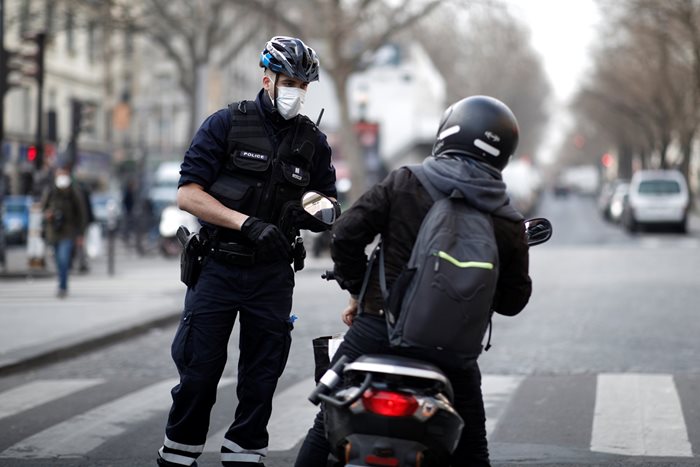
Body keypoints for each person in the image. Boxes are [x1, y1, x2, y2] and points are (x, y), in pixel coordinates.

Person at [295, 95, 532, 467]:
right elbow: (514, 301)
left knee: (326, 424)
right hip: (452, 352)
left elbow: (345, 235)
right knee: (473, 449)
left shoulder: (405, 181)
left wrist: (360, 291)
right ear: (503, 153)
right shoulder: (507, 217)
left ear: (447, 133)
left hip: (376, 330)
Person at [157, 36, 338, 467]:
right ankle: (178, 454)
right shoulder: (225, 123)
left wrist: (308, 213)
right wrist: (246, 223)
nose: (296, 91)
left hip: (272, 274)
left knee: (261, 379)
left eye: (304, 84)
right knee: (199, 373)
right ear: (267, 78)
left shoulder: (313, 142)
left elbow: (329, 205)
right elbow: (188, 195)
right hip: (218, 265)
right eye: (289, 80)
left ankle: (244, 454)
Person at [41, 166, 89, 298]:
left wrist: (80, 233)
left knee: (63, 258)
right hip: (53, 231)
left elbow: (81, 214)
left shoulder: (74, 192)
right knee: (58, 260)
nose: (62, 177)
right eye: (59, 174)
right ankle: (62, 281)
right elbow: (43, 208)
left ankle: (62, 286)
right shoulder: (50, 191)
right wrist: (48, 214)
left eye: (64, 174)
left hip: (68, 232)